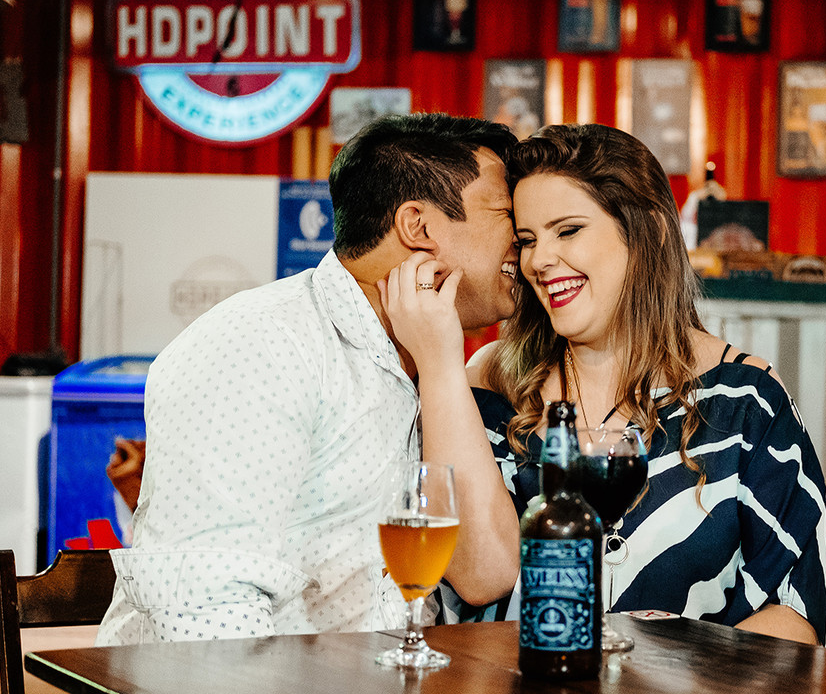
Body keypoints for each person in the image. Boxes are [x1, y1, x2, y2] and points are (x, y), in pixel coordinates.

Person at [383, 123, 826, 645]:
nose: (539, 259)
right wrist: (438, 364)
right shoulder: (489, 383)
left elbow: (798, 616)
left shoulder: (745, 399)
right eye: (526, 240)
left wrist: (658, 665)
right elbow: (477, 578)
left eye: (567, 230)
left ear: (650, 234)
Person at [96, 113, 522, 645]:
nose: (524, 241)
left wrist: (439, 367)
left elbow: (486, 576)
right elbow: (205, 611)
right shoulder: (261, 344)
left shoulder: (429, 360)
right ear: (419, 226)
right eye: (506, 213)